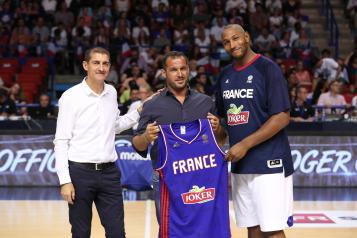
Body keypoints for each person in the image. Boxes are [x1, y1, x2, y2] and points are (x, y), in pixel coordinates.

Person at [54, 47, 141, 238]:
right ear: (86, 65)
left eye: (105, 63)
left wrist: (139, 111)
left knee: (117, 233)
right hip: (79, 174)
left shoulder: (111, 92)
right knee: (81, 233)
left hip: (110, 173)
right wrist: (65, 181)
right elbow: (61, 141)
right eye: (96, 63)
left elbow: (115, 125)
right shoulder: (70, 97)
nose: (101, 67)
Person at [216, 24, 294, 238]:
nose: (232, 45)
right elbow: (224, 123)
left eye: (236, 38)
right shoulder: (225, 76)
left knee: (272, 229)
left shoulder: (268, 68)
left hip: (270, 163)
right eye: (226, 42)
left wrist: (244, 144)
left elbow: (282, 117)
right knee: (253, 229)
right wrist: (216, 130)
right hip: (242, 165)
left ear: (247, 37)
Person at [132, 51, 225, 225]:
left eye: (183, 68)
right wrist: (146, 137)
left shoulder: (205, 102)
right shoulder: (152, 105)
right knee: (169, 228)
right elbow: (138, 145)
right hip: (165, 176)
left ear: (189, 70)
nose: (180, 74)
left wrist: (218, 127)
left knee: (202, 228)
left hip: (200, 176)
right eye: (174, 69)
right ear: (164, 73)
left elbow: (220, 140)